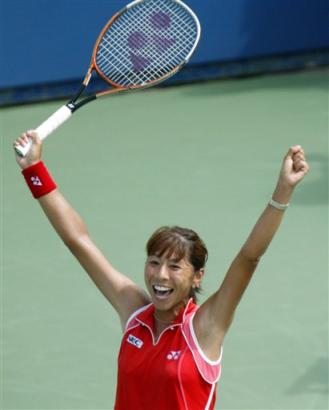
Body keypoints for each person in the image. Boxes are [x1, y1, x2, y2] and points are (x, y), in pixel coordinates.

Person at [14, 131, 309, 410]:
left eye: (175, 266)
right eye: (154, 262)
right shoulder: (134, 311)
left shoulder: (204, 327)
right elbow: (78, 241)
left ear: (197, 276)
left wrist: (283, 191)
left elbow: (249, 257)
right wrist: (33, 169)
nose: (160, 275)